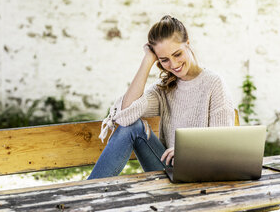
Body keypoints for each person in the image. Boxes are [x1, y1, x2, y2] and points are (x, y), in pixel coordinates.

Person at [88, 15, 234, 179]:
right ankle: (87, 192)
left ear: (188, 44)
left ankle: (85, 194)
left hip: (203, 174)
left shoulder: (213, 83)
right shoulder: (164, 88)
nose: (173, 65)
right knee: (132, 126)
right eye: (164, 60)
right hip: (169, 171)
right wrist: (147, 60)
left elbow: (222, 143)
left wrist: (187, 151)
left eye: (177, 54)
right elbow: (124, 117)